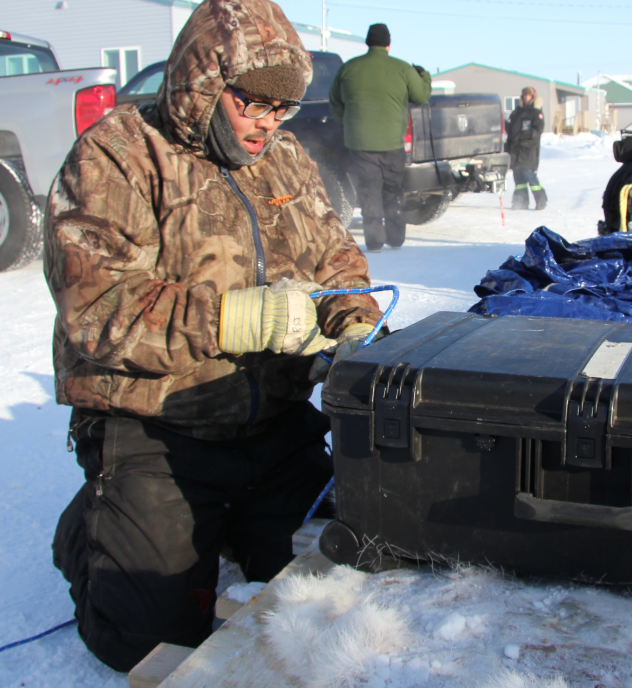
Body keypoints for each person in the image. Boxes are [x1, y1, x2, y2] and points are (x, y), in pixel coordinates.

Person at [43, 0, 383, 672]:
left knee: (337, 588)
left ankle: (223, 524)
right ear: (204, 82)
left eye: (282, 107)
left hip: (274, 430)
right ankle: (92, 525)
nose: (267, 122)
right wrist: (236, 319)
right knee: (147, 643)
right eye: (252, 102)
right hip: (159, 429)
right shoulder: (118, 153)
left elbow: (337, 261)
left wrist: (354, 328)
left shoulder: (285, 159)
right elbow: (94, 304)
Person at [329, 23, 432, 251]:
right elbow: (422, 96)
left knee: (368, 191)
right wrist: (424, 75)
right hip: (392, 144)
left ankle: (374, 241)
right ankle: (395, 239)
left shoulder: (349, 68)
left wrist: (349, 125)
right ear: (388, 44)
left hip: (360, 144)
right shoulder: (402, 68)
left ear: (367, 42)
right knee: (393, 190)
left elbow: (335, 104)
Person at [505, 86, 547, 210]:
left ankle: (541, 200)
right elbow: (511, 129)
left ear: (533, 97)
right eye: (524, 95)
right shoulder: (517, 112)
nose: (526, 97)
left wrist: (521, 136)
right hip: (516, 152)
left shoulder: (536, 112)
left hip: (528, 151)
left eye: (528, 95)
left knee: (530, 177)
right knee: (519, 180)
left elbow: (536, 131)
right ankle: (520, 202)